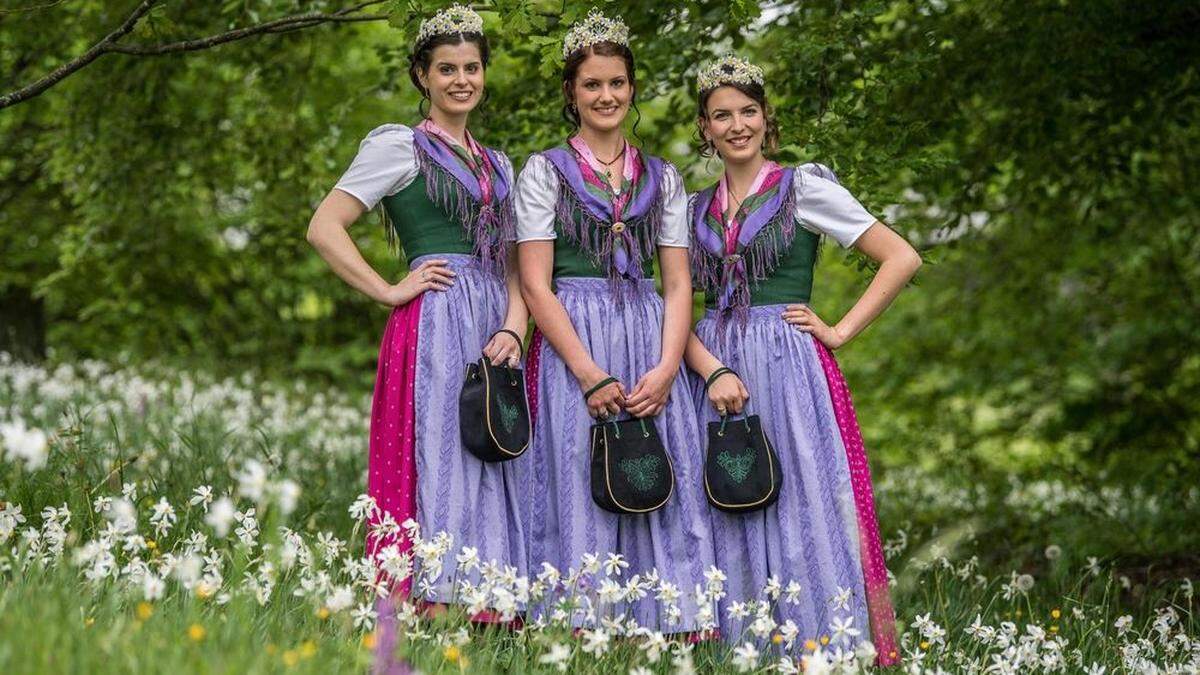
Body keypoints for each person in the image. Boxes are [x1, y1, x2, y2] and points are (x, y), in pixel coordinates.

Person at [685, 55, 921, 664]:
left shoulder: (804, 188)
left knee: (802, 498)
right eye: (721, 116)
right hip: (713, 365)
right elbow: (675, 303)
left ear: (766, 119)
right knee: (722, 495)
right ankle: (738, 648)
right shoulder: (688, 209)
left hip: (789, 363)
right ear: (704, 128)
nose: (736, 125)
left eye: (747, 112)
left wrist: (839, 330)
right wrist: (707, 363)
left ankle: (820, 648)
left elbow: (900, 257)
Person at [306, 5, 527, 611]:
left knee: (494, 449)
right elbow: (325, 227)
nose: (462, 80)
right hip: (436, 317)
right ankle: (432, 601)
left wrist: (514, 322)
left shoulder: (498, 163)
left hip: (495, 322)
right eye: (447, 69)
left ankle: (489, 603)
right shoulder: (397, 147)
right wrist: (388, 288)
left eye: (473, 67)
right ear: (423, 77)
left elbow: (514, 263)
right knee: (440, 449)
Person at [513, 10, 715, 633]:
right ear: (572, 94)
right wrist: (588, 372)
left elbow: (677, 282)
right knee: (579, 470)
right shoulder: (544, 170)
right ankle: (580, 624)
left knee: (658, 469)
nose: (606, 95)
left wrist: (665, 365)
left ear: (632, 88)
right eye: (592, 84)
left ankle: (668, 624)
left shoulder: (665, 176)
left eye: (618, 83)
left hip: (650, 334)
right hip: (575, 336)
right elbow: (535, 284)